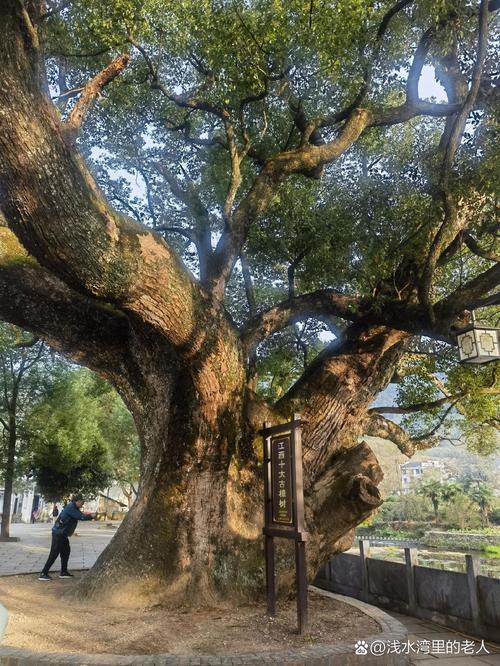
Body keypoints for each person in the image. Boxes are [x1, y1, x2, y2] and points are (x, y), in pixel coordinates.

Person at [38, 493, 96, 580]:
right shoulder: (71, 508)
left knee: (66, 552)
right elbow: (81, 517)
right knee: (54, 554)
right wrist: (91, 516)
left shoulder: (74, 507)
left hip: (63, 534)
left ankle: (64, 572)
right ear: (77, 501)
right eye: (82, 502)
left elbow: (80, 514)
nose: (83, 503)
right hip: (58, 534)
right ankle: (43, 573)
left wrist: (89, 515)